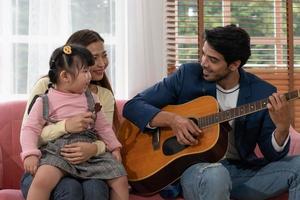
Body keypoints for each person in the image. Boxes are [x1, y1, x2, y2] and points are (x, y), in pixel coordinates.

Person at [123, 24, 300, 200]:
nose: (204, 63)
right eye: (203, 54)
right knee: (216, 174)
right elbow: (134, 106)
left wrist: (283, 127)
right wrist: (173, 120)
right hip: (196, 171)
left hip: (239, 172)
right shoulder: (187, 75)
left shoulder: (261, 92)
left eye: (213, 60)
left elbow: (272, 155)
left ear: (234, 65)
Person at [20, 44, 129, 200]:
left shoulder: (92, 98)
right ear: (65, 76)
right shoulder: (45, 100)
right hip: (59, 152)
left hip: (91, 153)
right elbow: (29, 129)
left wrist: (115, 147)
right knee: (43, 179)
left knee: (120, 179)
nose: (89, 76)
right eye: (85, 71)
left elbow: (104, 127)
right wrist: (30, 154)